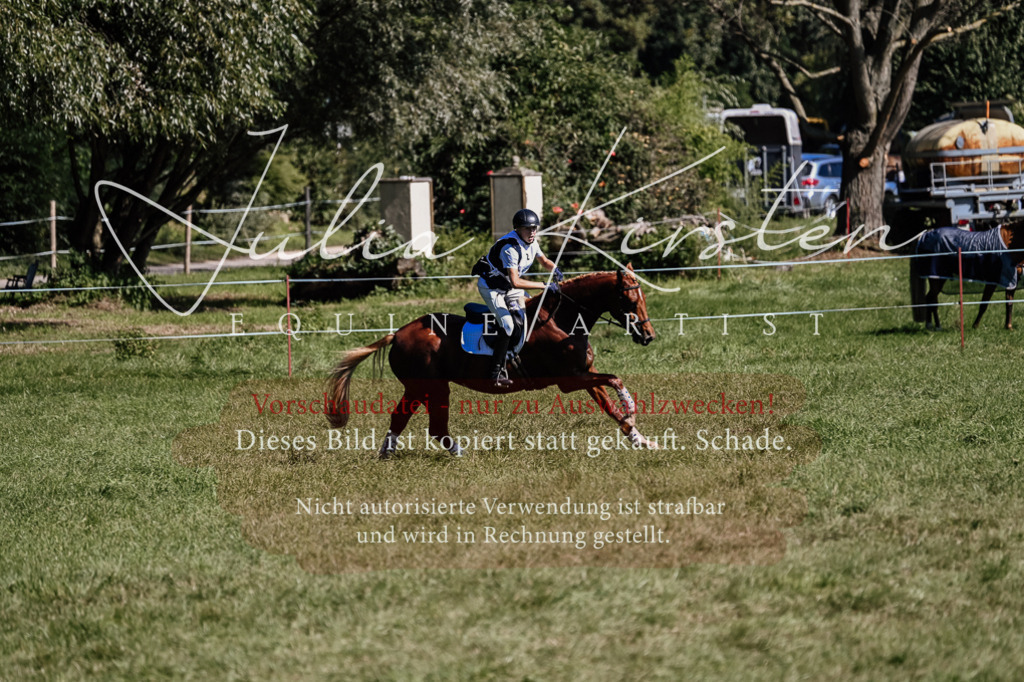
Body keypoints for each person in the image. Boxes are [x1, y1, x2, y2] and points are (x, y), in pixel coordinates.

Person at [472, 208, 563, 387]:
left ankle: (525, 357)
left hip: (508, 285)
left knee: (531, 311)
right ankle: (495, 373)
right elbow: (515, 282)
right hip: (493, 288)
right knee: (508, 324)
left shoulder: (532, 242)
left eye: (534, 228)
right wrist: (544, 286)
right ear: (518, 229)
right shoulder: (510, 248)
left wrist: (555, 268)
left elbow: (544, 261)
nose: (532, 232)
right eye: (528, 229)